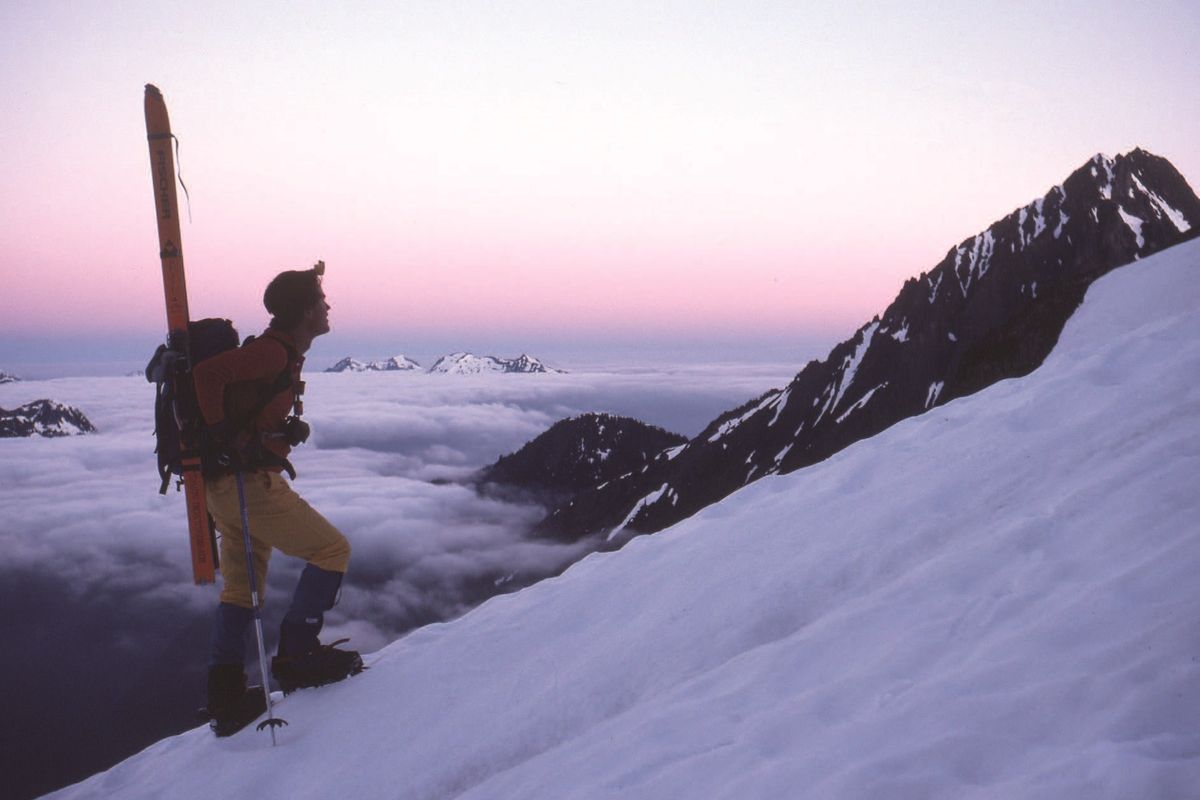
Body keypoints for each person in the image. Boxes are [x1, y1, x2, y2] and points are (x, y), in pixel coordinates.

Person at [193, 262, 361, 735]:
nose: (328, 306)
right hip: (250, 488)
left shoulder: (281, 353)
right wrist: (223, 433)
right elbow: (207, 377)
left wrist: (276, 431)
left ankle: (225, 696)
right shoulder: (271, 353)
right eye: (321, 300)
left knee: (241, 589)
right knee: (333, 549)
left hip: (227, 488)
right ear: (305, 311)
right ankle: (297, 655)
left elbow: (240, 400)